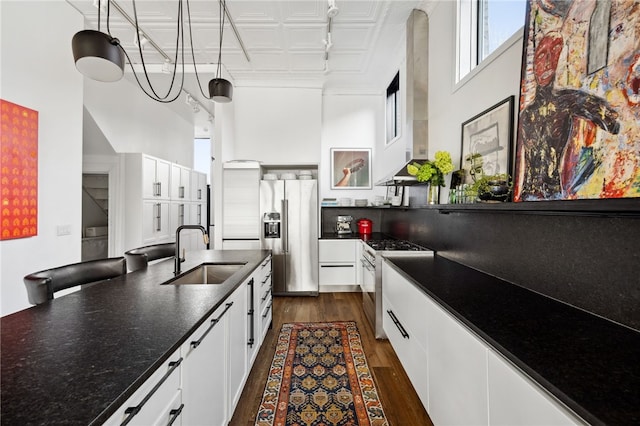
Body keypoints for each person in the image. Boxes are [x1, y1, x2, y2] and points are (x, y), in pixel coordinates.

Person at [516, 31, 621, 201]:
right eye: (542, 55)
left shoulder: (565, 101)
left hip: (553, 197)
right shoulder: (526, 115)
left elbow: (613, 123)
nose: (548, 63)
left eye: (554, 53)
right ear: (534, 63)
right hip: (526, 197)